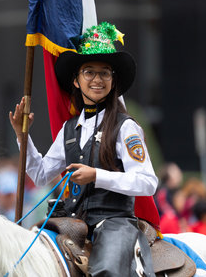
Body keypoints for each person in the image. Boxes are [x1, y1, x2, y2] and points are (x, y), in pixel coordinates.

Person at [10, 22, 157, 276]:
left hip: (115, 223)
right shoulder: (69, 129)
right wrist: (23, 136)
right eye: (89, 72)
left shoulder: (126, 127)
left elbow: (147, 183)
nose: (97, 79)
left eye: (105, 73)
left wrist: (96, 176)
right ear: (76, 81)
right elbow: (41, 174)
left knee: (107, 271)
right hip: (73, 221)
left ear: (113, 81)